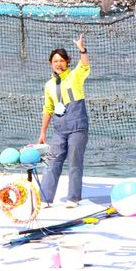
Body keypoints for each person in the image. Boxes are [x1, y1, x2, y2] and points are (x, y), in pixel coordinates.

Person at [38, 35, 90, 208]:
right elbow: (48, 109)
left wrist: (82, 49)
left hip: (77, 127)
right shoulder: (48, 85)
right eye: (55, 61)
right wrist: (43, 132)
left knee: (75, 162)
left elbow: (84, 65)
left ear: (67, 62)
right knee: (52, 161)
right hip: (59, 129)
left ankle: (73, 198)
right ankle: (45, 198)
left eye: (62, 60)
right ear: (50, 64)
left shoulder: (75, 76)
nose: (58, 64)